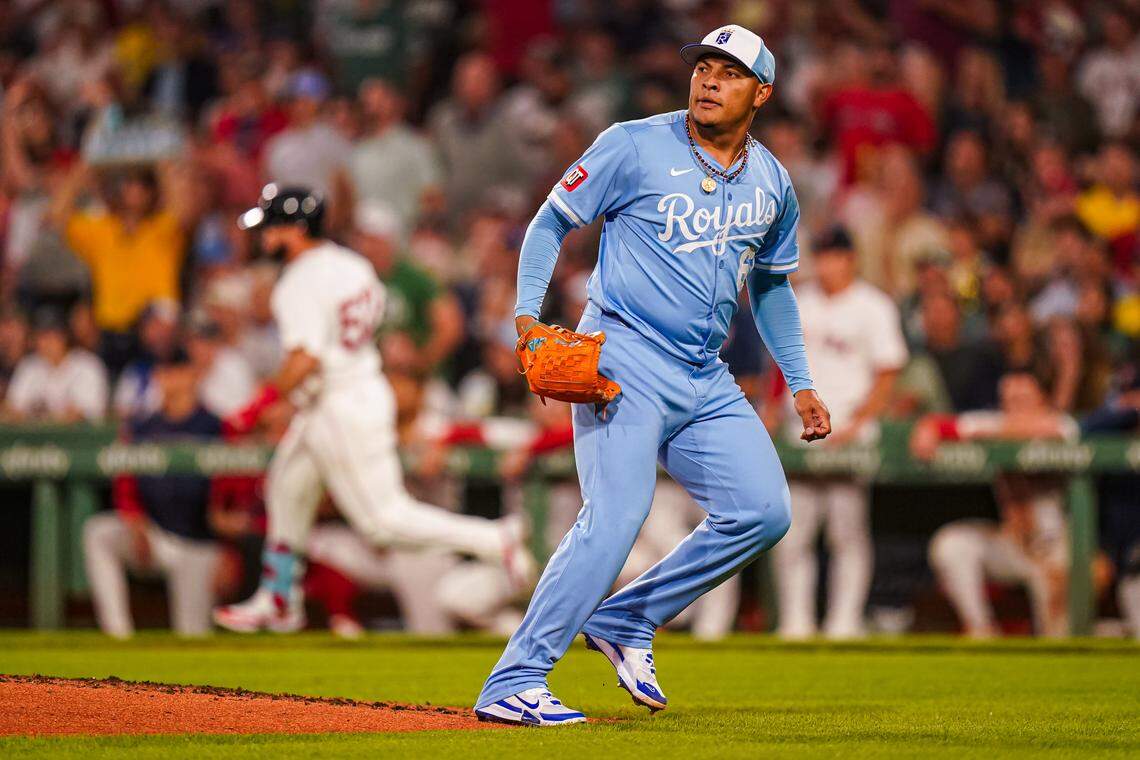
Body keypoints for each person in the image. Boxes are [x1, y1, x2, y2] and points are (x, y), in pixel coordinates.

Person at [474, 25, 831, 726]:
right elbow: (551, 222)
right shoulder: (633, 144)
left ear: (761, 93)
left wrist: (801, 380)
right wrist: (525, 316)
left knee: (763, 511)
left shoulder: (772, 182)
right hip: (625, 357)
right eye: (703, 65)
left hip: (704, 373)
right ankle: (513, 681)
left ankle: (627, 619)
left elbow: (772, 287)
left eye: (728, 72)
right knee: (614, 519)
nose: (707, 79)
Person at [212, 184, 533, 634]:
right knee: (286, 487)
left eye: (272, 227)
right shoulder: (352, 263)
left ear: (297, 229)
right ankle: (279, 598)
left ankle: (493, 538)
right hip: (351, 390)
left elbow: (305, 359)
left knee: (384, 521)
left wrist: (257, 406)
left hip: (340, 402)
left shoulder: (298, 281)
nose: (264, 236)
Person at [770, 227, 907, 639]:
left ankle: (844, 622)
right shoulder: (800, 301)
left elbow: (887, 375)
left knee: (846, 531)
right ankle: (795, 620)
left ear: (851, 259)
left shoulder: (873, 306)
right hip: (800, 427)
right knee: (795, 530)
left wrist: (859, 424)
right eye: (822, 256)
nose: (827, 264)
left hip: (848, 425)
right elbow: (776, 364)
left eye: (834, 256)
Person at [913, 372, 1075, 638]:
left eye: (1023, 399)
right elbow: (936, 424)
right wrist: (927, 429)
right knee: (952, 544)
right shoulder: (995, 422)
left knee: (1057, 633)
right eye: (1009, 400)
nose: (1015, 406)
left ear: (1042, 399)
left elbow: (1045, 430)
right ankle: (981, 630)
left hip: (1057, 547)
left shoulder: (1063, 424)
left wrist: (988, 430)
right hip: (1014, 543)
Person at [83, 350, 223, 638]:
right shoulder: (143, 427)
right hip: (155, 535)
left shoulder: (215, 426)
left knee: (193, 635)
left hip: (200, 544)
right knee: (98, 532)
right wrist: (134, 520)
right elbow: (126, 483)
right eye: (165, 372)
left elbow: (231, 493)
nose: (170, 380)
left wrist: (229, 548)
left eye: (177, 371)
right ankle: (118, 636)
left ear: (194, 375)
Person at [3, 307, 107, 423]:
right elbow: (11, 410)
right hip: (36, 439)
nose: (46, 342)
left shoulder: (88, 365)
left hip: (79, 438)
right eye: (41, 336)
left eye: (52, 335)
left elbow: (84, 414)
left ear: (64, 336)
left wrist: (36, 416)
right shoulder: (29, 366)